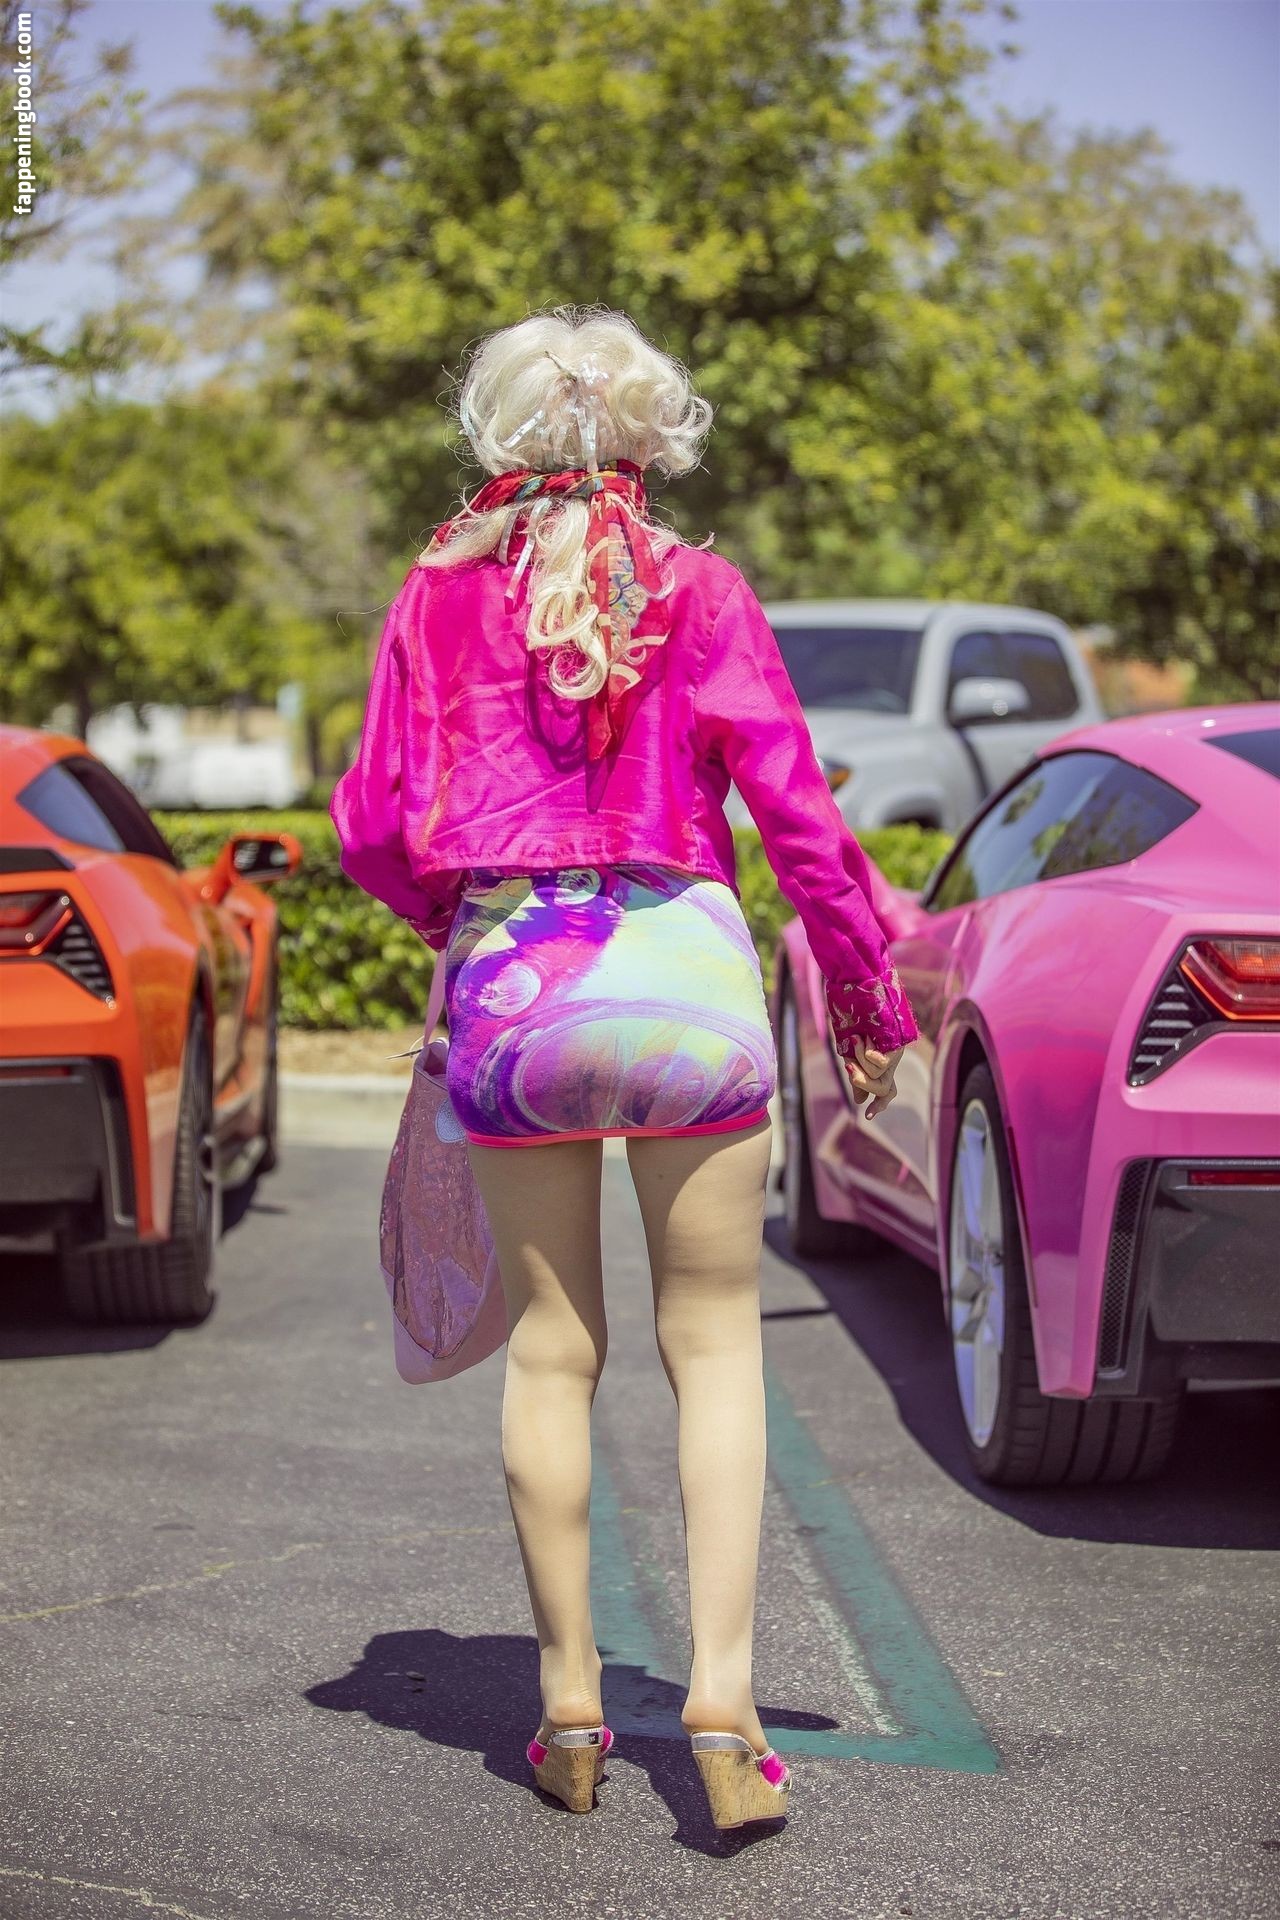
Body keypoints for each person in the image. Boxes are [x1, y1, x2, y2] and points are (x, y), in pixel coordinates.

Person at [331, 306, 918, 1831]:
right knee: (714, 1347)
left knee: (553, 1353)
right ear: (654, 438)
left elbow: (373, 821)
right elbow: (798, 813)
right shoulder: (702, 588)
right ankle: (724, 1705)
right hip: (690, 988)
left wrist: (460, 928)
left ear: (498, 432)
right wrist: (863, 989)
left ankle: (571, 1706)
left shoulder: (430, 598)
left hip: (518, 991)